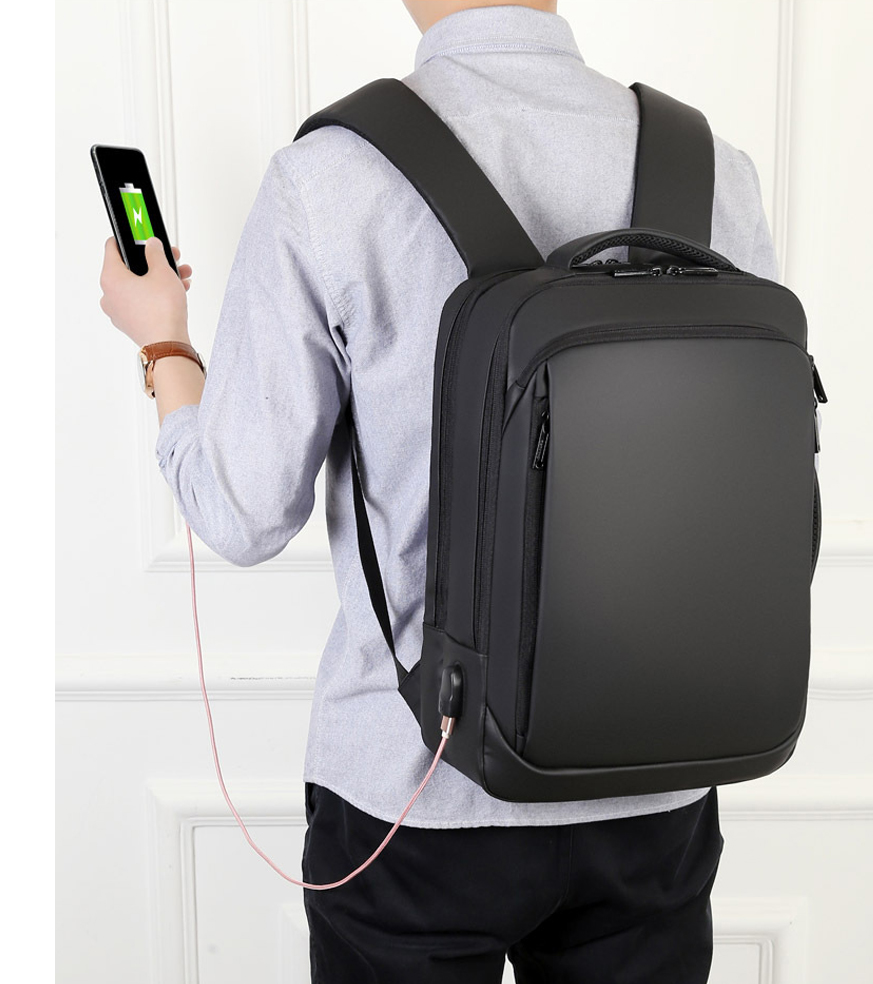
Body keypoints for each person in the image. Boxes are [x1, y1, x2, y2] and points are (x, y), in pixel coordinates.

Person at [98, 2, 779, 980]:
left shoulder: (332, 178)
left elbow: (244, 511)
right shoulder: (716, 172)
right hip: (657, 791)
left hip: (415, 793)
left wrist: (162, 340)